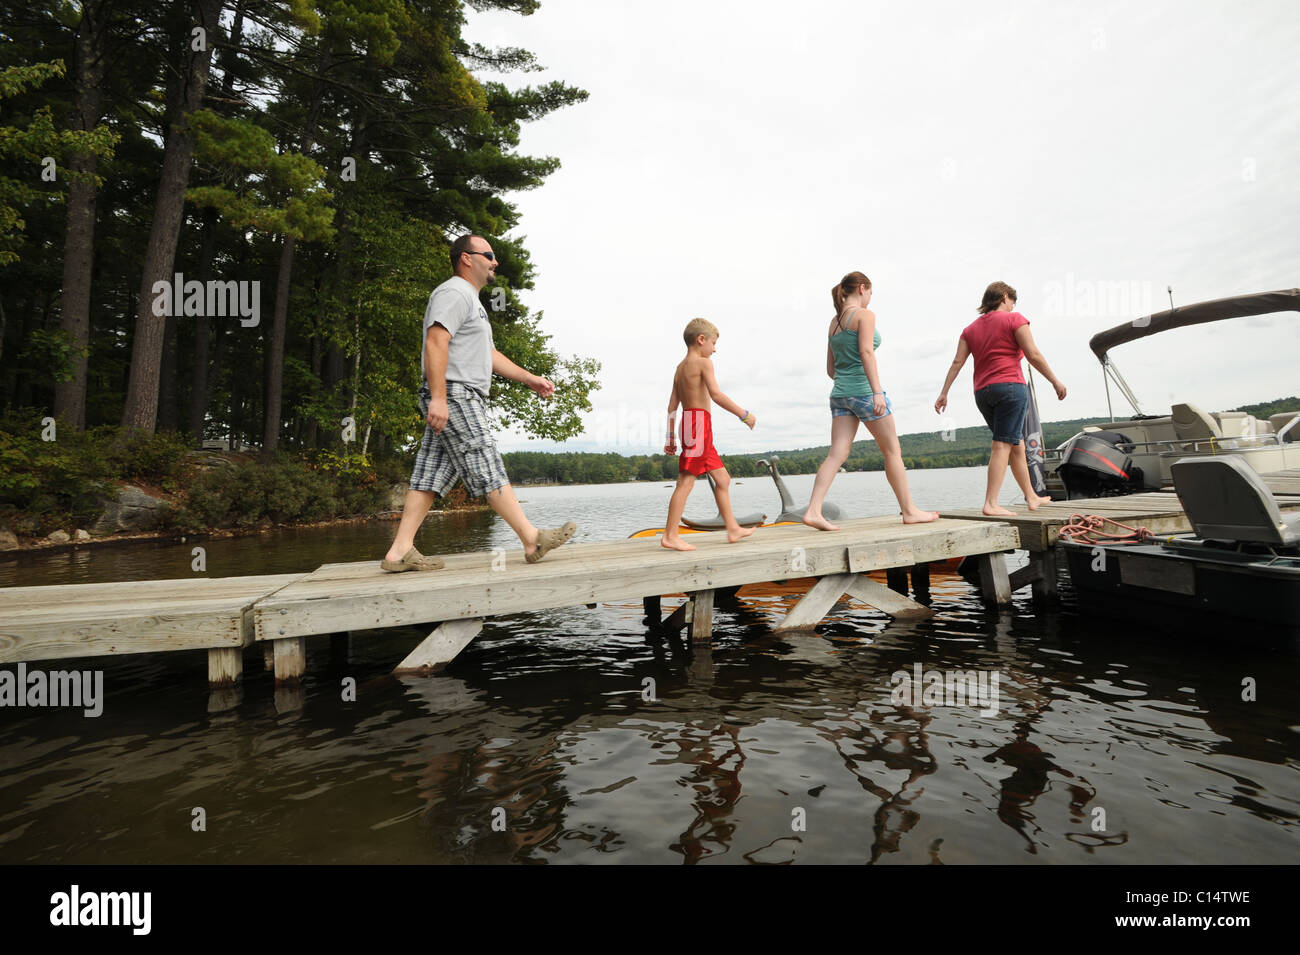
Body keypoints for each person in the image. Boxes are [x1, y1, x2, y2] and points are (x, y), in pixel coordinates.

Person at [380, 234, 576, 571]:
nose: (495, 261)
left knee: (429, 476)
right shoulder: (454, 292)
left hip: (456, 393)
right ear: (466, 259)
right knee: (485, 461)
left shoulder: (471, 302)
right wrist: (439, 397)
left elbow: (487, 354)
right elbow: (436, 341)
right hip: (455, 393)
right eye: (489, 254)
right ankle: (531, 539)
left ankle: (399, 551)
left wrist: (528, 378)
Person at [803, 272, 939, 531]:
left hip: (840, 395)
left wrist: (848, 380)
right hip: (865, 392)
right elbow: (866, 351)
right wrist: (876, 392)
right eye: (870, 293)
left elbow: (831, 369)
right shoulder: (865, 316)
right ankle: (909, 511)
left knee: (836, 454)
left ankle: (813, 510)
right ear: (862, 288)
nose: (870, 298)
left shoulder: (834, 322)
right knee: (892, 452)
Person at [934, 280, 1067, 516]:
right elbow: (1033, 354)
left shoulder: (969, 330)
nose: (1013, 307)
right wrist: (1055, 380)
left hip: (983, 393)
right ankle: (991, 503)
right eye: (1012, 302)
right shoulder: (1014, 319)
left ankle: (1031, 496)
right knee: (1002, 444)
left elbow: (957, 362)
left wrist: (944, 392)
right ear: (1004, 297)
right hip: (1010, 388)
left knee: (1016, 443)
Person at [661, 318, 757, 552]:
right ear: (701, 340)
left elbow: (672, 406)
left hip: (690, 424)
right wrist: (743, 414)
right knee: (685, 481)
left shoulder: (679, 368)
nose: (715, 349)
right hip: (698, 425)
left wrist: (671, 436)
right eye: (713, 343)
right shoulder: (704, 363)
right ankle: (670, 535)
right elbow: (716, 394)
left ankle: (732, 528)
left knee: (723, 479)